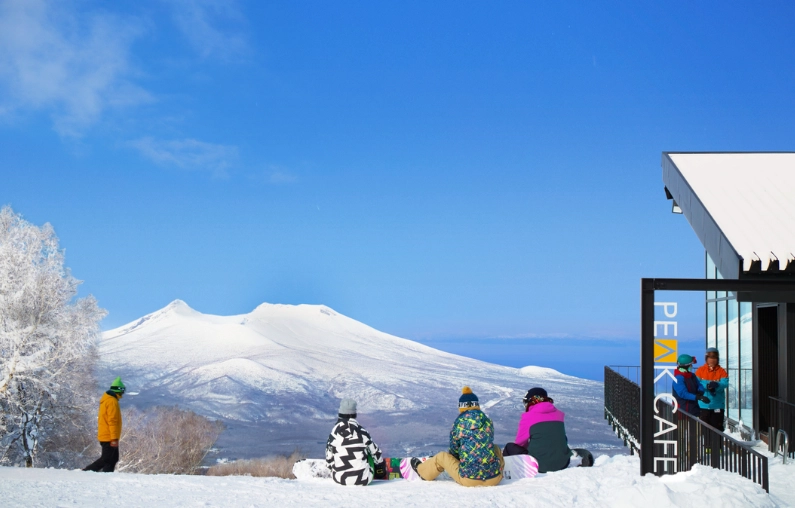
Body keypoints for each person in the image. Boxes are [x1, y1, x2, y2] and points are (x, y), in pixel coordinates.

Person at [412, 386, 503, 487]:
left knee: (442, 457)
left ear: (462, 406)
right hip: (495, 478)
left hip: (469, 479)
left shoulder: (459, 423)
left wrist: (457, 460)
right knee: (495, 448)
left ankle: (422, 471)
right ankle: (498, 469)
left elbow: (454, 450)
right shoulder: (487, 421)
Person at [502, 387, 573, 472]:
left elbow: (520, 443)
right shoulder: (559, 414)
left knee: (509, 447)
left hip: (539, 466)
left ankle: (506, 471)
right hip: (564, 463)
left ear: (530, 401)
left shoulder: (528, 417)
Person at [325, 398, 386, 486]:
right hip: (364, 479)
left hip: (340, 479)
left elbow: (329, 456)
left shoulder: (334, 433)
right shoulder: (361, 431)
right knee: (368, 448)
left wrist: (331, 468)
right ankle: (376, 471)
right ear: (355, 413)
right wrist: (381, 465)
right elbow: (375, 452)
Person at [84, 377, 125, 472]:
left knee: (113, 459)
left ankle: (106, 478)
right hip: (109, 436)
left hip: (107, 435)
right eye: (122, 391)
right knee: (106, 459)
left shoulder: (107, 400)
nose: (122, 394)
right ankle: (86, 472)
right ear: (118, 391)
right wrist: (114, 438)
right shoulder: (112, 401)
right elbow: (112, 420)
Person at [695, 347, 729, 431]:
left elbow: (725, 383)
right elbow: (696, 383)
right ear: (706, 358)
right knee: (704, 431)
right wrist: (707, 386)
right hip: (703, 406)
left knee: (717, 430)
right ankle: (706, 444)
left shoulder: (721, 371)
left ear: (717, 359)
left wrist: (717, 385)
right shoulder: (700, 370)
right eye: (710, 358)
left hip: (717, 405)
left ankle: (717, 444)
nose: (712, 360)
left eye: (714, 358)